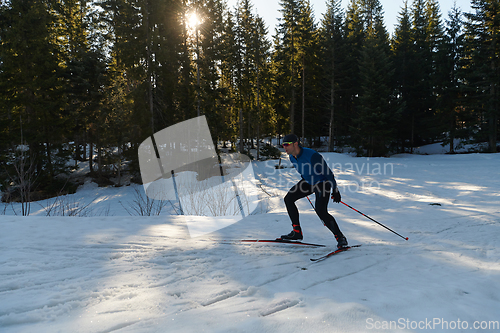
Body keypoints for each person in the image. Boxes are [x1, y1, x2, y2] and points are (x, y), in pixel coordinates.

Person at [279, 134, 348, 248]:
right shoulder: (292, 157)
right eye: (283, 145)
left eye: (287, 144)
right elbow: (303, 170)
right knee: (288, 199)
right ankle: (297, 232)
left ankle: (340, 237)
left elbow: (328, 173)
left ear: (295, 144)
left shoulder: (312, 155)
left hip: (322, 183)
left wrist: (335, 190)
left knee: (321, 211)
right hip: (308, 182)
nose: (284, 147)